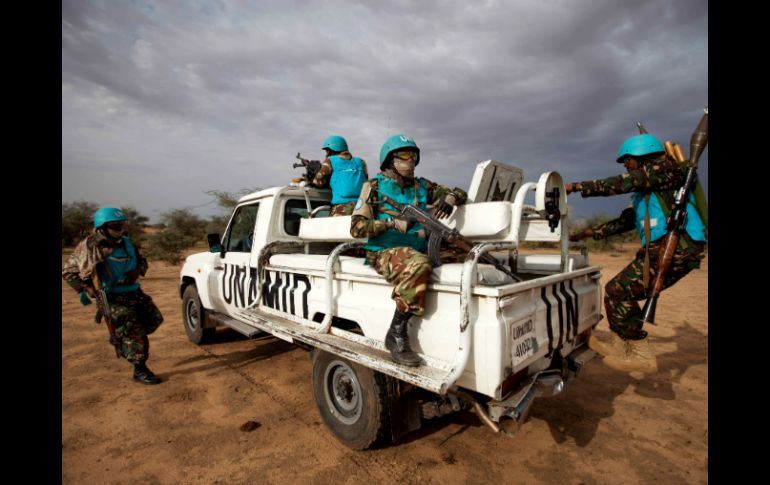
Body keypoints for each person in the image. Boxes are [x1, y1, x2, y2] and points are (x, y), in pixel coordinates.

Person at [565, 133, 706, 373]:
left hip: (677, 249)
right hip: (661, 250)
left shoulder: (664, 170)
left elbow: (620, 183)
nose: (625, 166)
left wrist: (577, 187)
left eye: (627, 161)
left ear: (641, 155)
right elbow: (627, 221)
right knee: (617, 291)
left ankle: (639, 352)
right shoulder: (648, 188)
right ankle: (624, 347)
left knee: (617, 291)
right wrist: (588, 233)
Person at [350, 134, 467, 366]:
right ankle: (396, 333)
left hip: (420, 247)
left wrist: (451, 197)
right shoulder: (373, 187)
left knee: (468, 257)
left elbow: (459, 191)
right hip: (383, 250)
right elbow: (356, 228)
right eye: (404, 156)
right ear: (389, 161)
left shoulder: (422, 186)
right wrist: (390, 224)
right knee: (419, 265)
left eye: (413, 156)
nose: (410, 161)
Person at [62, 207, 165, 384]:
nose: (119, 229)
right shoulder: (89, 247)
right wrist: (84, 289)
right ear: (101, 227)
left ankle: (122, 337)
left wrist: (138, 270)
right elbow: (69, 272)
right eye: (115, 226)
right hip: (112, 297)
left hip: (134, 292)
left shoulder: (127, 243)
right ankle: (140, 370)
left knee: (154, 319)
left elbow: (142, 261)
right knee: (135, 332)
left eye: (121, 225)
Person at [311, 135, 369, 216]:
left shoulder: (330, 161)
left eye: (327, 151)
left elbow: (317, 182)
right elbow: (365, 181)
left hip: (341, 208)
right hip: (362, 208)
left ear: (331, 150)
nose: (326, 154)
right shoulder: (361, 162)